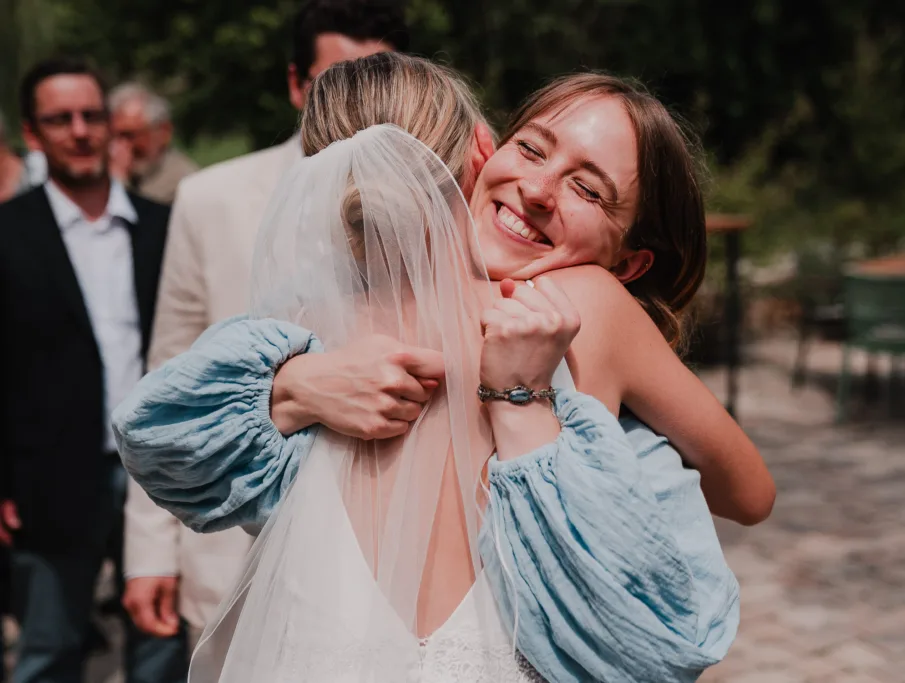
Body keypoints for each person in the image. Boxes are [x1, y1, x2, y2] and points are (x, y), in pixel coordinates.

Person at [114, 53, 772, 681]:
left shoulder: (310, 321)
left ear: (630, 261)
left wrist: (287, 387)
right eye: (534, 148)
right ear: (485, 150)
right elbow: (749, 493)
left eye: (588, 189)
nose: (540, 189)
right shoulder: (589, 308)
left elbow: (158, 435)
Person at [120, 0, 411, 654]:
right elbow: (168, 365)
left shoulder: (445, 203)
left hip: (394, 556)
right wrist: (148, 551)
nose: (359, 102)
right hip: (234, 546)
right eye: (337, 81)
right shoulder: (213, 198)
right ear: (295, 84)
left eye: (380, 77)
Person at [0, 58, 170, 683]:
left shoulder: (161, 226)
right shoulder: (9, 234)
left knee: (161, 646)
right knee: (50, 646)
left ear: (111, 128)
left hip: (160, 470)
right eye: (59, 119)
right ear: (33, 133)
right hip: (50, 476)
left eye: (91, 116)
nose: (79, 130)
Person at [108, 82, 198, 204]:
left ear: (164, 132)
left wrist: (117, 184)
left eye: (129, 136)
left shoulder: (185, 185)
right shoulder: (130, 174)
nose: (117, 148)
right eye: (111, 137)